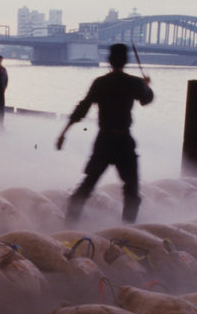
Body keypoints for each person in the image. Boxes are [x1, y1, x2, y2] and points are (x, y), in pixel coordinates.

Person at [56, 43, 153, 224]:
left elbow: (82, 108)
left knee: (88, 184)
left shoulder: (101, 83)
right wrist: (146, 85)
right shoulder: (134, 82)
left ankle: (69, 223)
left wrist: (64, 132)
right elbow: (146, 100)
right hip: (124, 141)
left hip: (105, 140)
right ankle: (128, 228)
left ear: (109, 61)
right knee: (131, 189)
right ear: (126, 61)